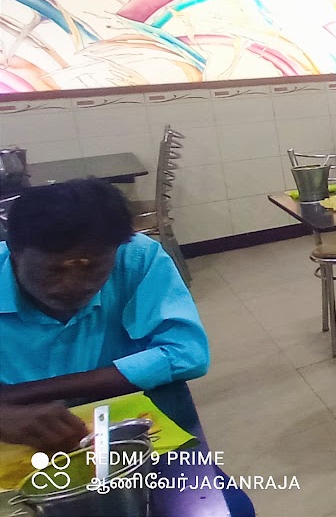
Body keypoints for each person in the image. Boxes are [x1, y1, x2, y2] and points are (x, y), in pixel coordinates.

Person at [0, 179, 208, 450]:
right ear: (14, 251)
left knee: (193, 475)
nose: (74, 284)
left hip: (121, 418)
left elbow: (186, 354)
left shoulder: (136, 257)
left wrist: (18, 395)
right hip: (13, 437)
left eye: (93, 267)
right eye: (53, 270)